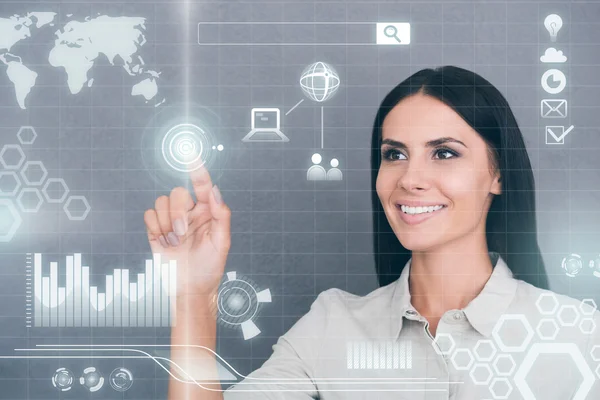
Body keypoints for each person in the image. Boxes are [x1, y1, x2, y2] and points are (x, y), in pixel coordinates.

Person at [144, 66, 600, 399]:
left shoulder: (582, 335)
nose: (410, 178)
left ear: (497, 173)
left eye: (444, 154)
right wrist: (194, 296)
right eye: (394, 154)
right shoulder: (333, 326)